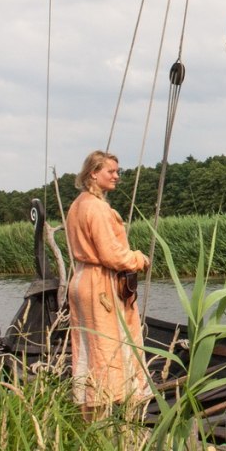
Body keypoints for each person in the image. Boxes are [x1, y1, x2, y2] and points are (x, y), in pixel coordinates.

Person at [66, 149, 151, 420]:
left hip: (81, 279)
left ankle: (89, 415)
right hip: (100, 283)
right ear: (93, 173)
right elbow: (111, 255)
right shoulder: (97, 208)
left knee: (88, 348)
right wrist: (139, 259)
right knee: (110, 346)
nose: (117, 176)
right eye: (111, 171)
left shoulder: (78, 204)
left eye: (118, 171)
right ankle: (116, 416)